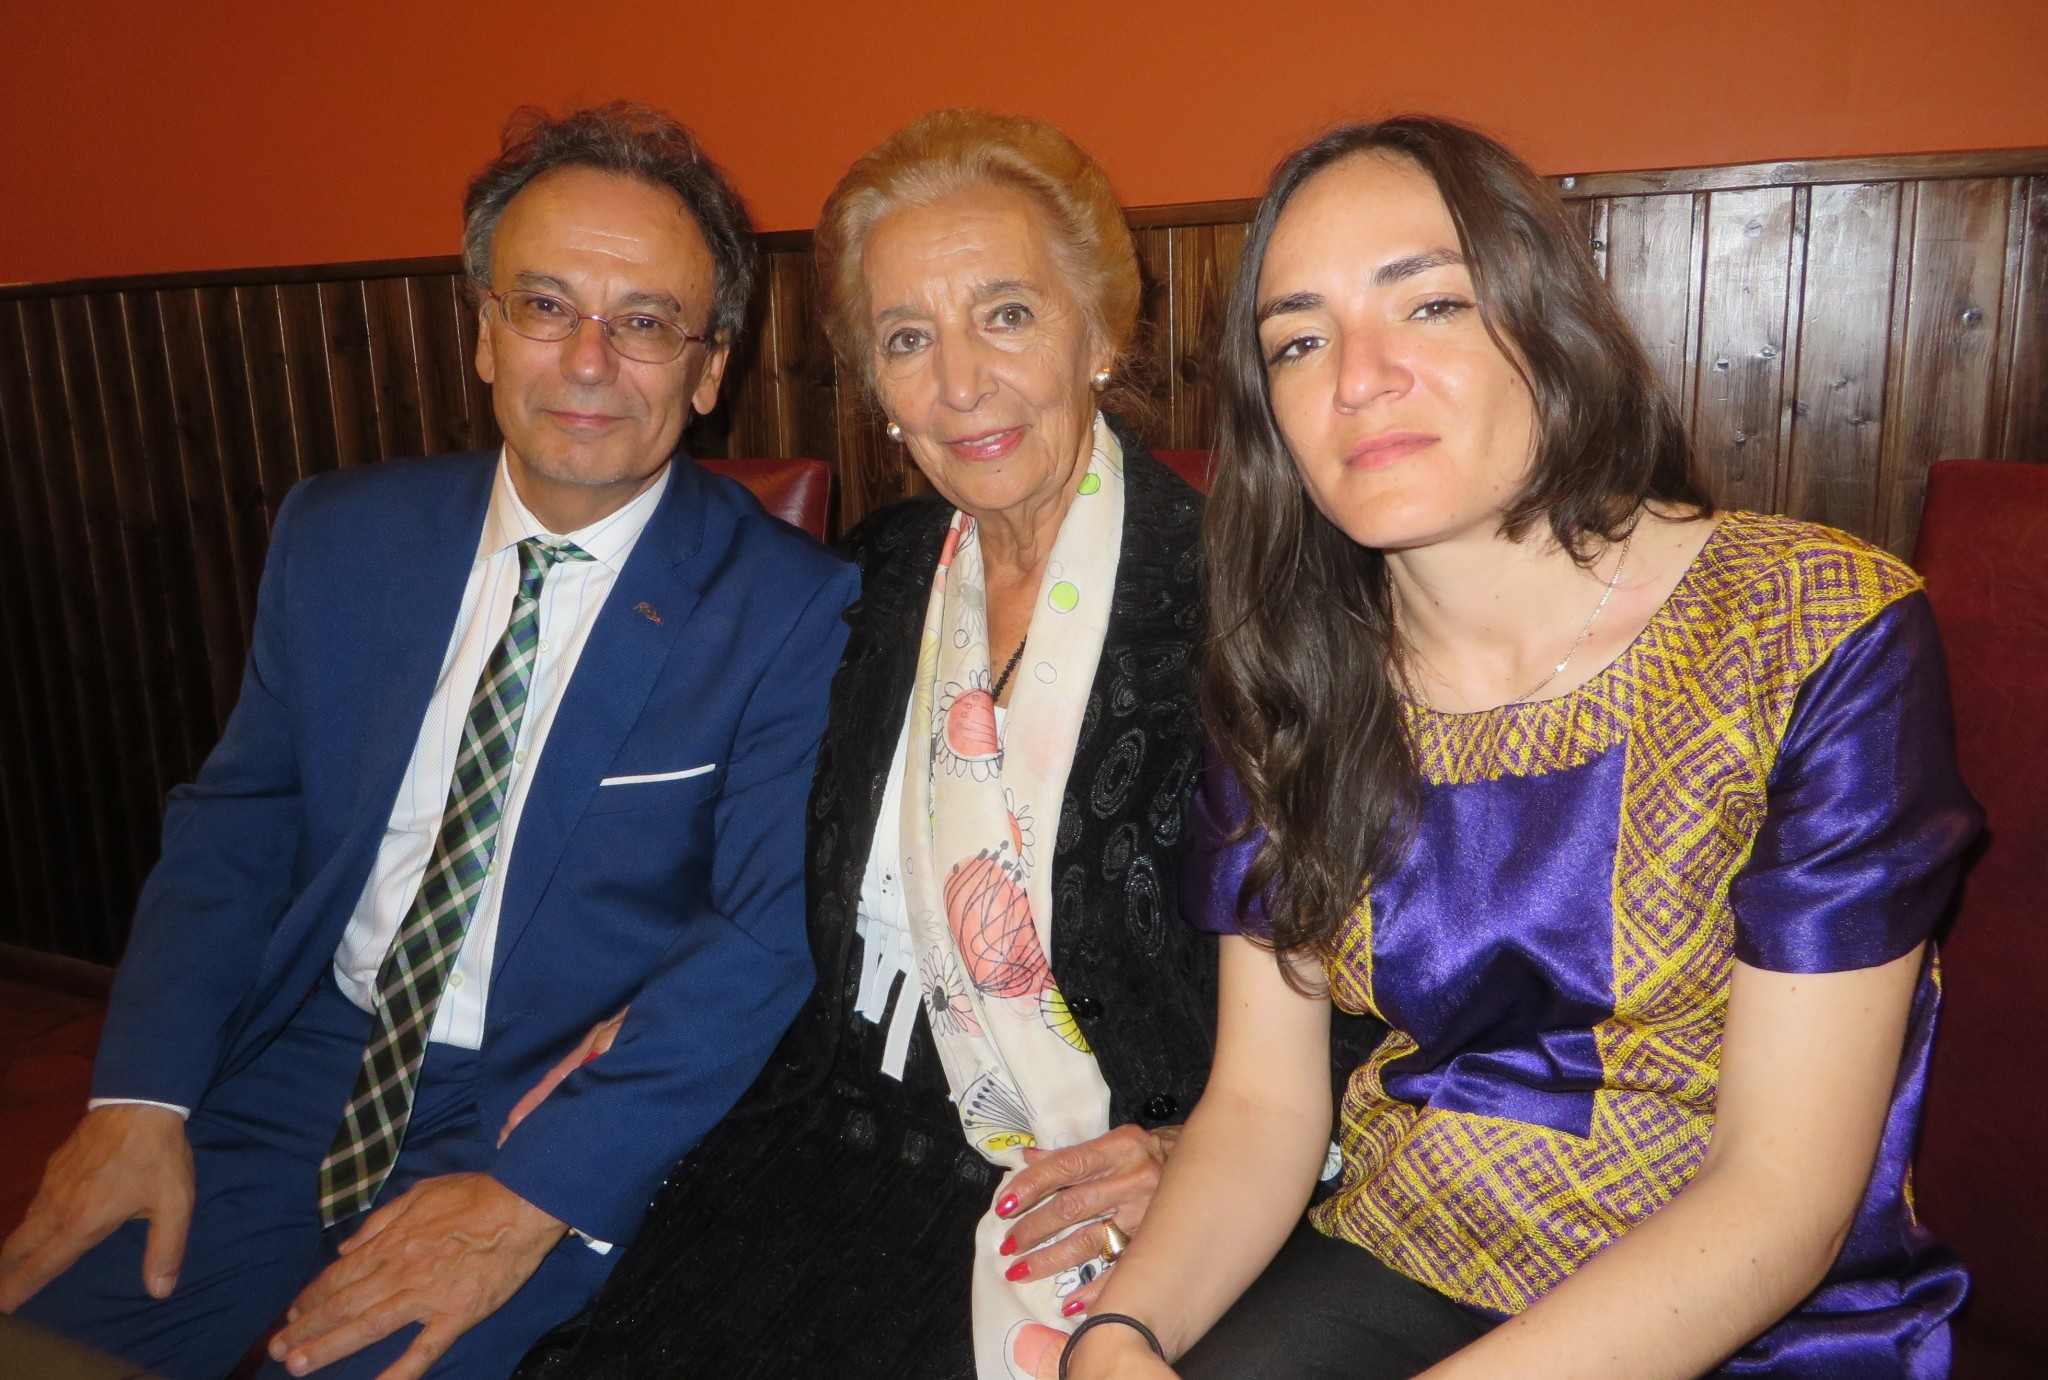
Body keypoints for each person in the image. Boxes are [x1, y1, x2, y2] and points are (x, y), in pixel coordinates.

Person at [1062, 117, 1980, 1380]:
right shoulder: (1290, 673)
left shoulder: (1809, 626)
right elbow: (1267, 1106)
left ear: (1546, 325)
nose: (1357, 376)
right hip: (1405, 1250)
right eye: (1299, 339)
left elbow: (1781, 1192)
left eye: (1427, 304)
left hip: (1748, 1312)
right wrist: (1118, 1332)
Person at [0, 102, 857, 1380]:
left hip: (548, 1098)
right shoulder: (340, 536)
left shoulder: (797, 607)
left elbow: (761, 936)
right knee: (51, 1334)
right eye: (545, 305)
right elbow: (242, 821)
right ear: (481, 331)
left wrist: (539, 1191)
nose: (586, 361)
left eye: (644, 323)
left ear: (710, 366)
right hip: (304, 1057)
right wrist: (139, 1097)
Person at [517, 110, 1372, 1380]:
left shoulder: (1250, 607)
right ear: (872, 380)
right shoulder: (876, 576)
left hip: (1093, 1186)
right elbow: (770, 877)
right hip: (819, 1134)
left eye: (1006, 316)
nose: (957, 384)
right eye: (907, 339)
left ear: (1099, 332)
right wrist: (652, 1002)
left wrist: (1211, 1148)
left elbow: (1384, 974)